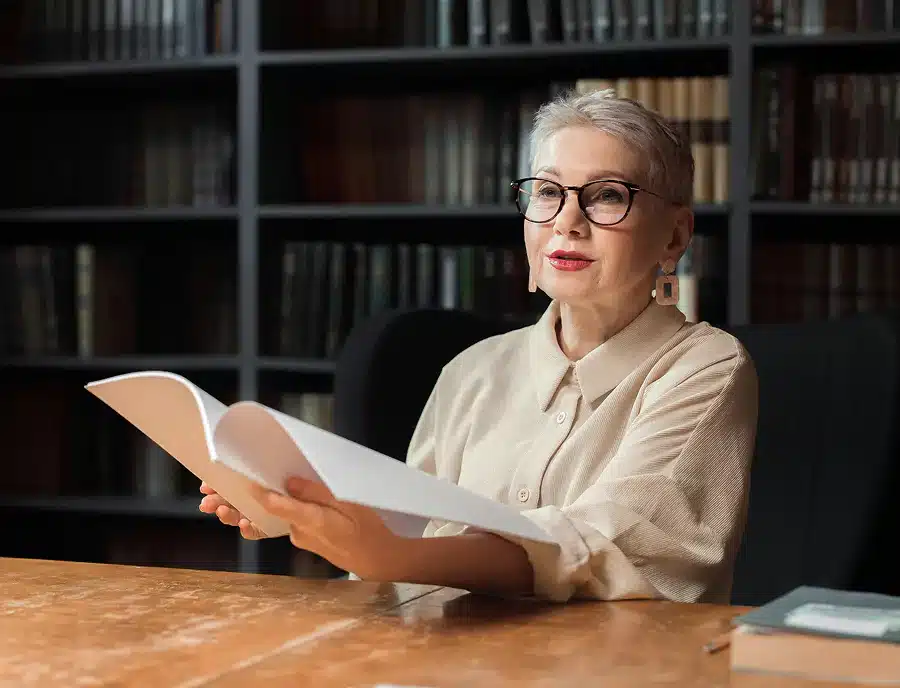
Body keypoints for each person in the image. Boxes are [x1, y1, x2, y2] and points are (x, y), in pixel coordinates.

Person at [200, 89, 759, 604]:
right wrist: (300, 506)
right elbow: (399, 535)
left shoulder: (705, 367)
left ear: (675, 236)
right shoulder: (472, 370)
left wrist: (388, 555)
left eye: (607, 196)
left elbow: (609, 547)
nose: (567, 221)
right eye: (546, 192)